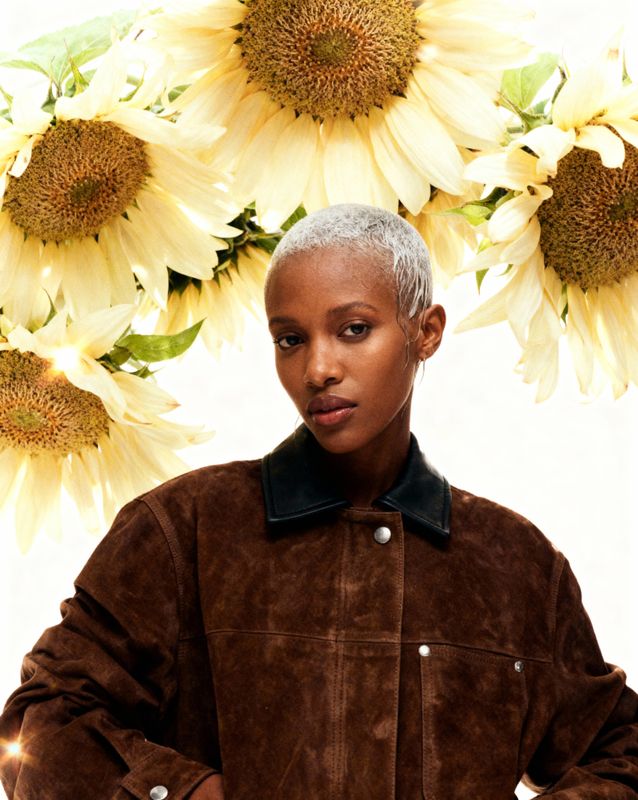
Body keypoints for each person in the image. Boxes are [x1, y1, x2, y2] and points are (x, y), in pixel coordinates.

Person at [1, 203, 637, 800]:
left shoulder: (515, 564)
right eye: (290, 339)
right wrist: (190, 793)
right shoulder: (182, 530)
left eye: (354, 329)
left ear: (426, 332)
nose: (318, 369)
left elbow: (622, 755)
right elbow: (35, 726)